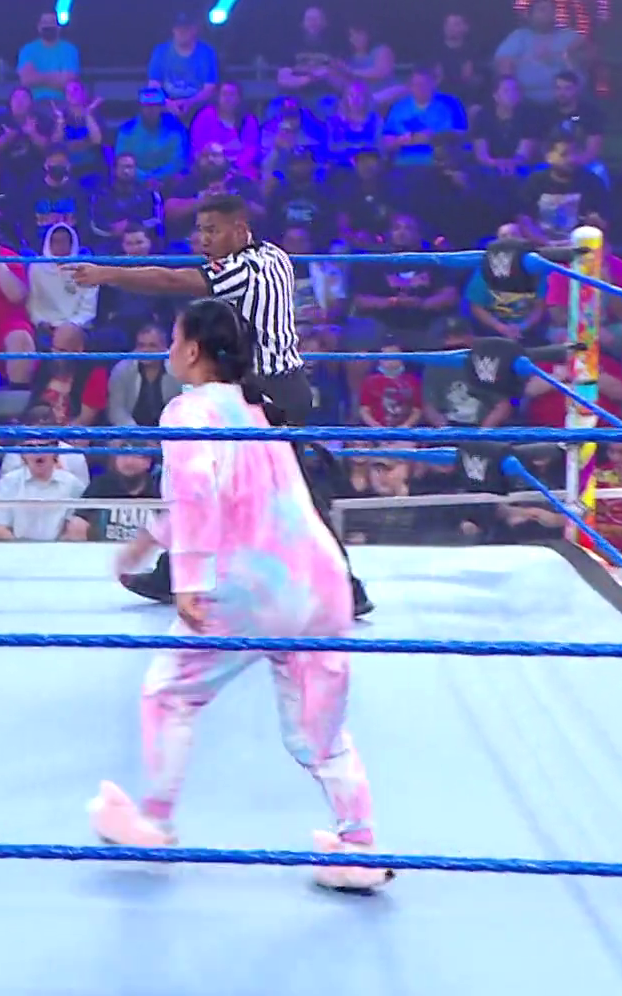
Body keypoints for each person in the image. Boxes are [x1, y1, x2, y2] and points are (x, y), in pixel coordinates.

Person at [85, 298, 389, 892]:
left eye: (173, 338)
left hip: (249, 585)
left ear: (192, 349)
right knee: (321, 731)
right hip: (319, 583)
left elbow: (198, 493)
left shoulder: (187, 410)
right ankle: (359, 846)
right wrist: (147, 543)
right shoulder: (256, 410)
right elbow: (218, 495)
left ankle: (155, 823)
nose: (168, 349)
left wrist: (189, 580)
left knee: (169, 694)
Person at [71, 194, 371, 617]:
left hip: (268, 392)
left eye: (213, 230)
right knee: (214, 478)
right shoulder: (274, 255)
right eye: (200, 230)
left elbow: (171, 281)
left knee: (283, 491)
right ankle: (171, 574)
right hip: (277, 388)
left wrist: (107, 274)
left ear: (239, 229)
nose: (204, 239)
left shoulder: (243, 270)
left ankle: (345, 585)